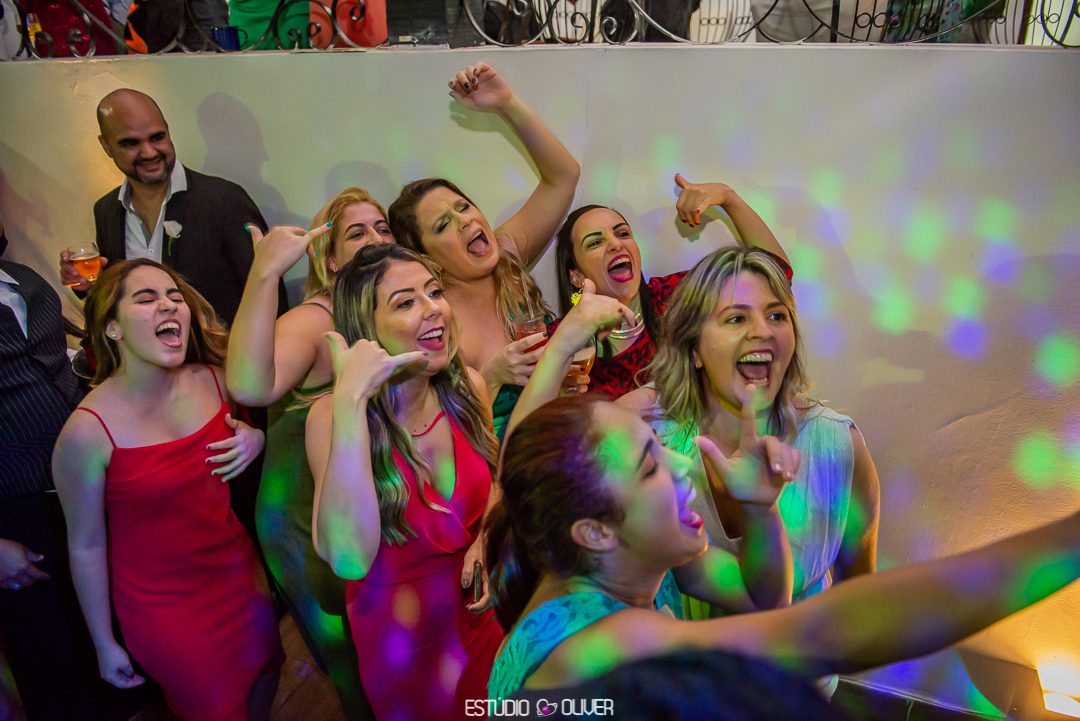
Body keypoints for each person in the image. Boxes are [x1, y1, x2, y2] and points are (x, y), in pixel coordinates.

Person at [484, 394, 1080, 698]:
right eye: (650, 466)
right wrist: (1067, 541)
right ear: (594, 532)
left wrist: (760, 510)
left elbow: (764, 597)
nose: (682, 466)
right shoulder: (598, 646)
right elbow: (821, 634)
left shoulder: (628, 564)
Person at [51, 259, 284, 721]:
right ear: (112, 328)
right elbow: (86, 545)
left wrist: (257, 439)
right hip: (164, 608)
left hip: (240, 574)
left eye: (175, 297)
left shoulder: (216, 380)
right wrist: (103, 642)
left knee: (267, 672)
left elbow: (258, 424)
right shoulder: (85, 434)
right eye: (146, 299)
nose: (168, 305)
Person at [619, 246, 879, 614]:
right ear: (693, 349)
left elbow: (858, 599)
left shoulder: (837, 446)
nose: (762, 331)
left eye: (777, 315)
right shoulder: (653, 450)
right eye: (736, 318)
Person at [306, 243, 503, 721]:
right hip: (402, 648)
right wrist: (351, 400)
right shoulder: (331, 417)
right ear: (366, 331)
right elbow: (348, 558)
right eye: (406, 302)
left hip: (485, 621)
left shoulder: (468, 389)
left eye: (434, 292)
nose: (434, 308)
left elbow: (498, 482)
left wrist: (488, 538)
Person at [226, 187, 394, 720]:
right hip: (303, 512)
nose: (375, 239)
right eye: (357, 232)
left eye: (383, 227)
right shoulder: (316, 319)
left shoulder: (380, 306)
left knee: (385, 647)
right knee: (356, 658)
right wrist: (265, 274)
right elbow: (250, 386)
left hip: (349, 498)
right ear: (330, 258)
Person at [0, 218, 147, 720]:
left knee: (114, 641)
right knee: (58, 667)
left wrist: (95, 296)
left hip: (86, 488)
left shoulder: (24, 279)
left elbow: (65, 362)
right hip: (15, 514)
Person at [388, 61, 580, 441]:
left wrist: (507, 105)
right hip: (494, 461)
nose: (464, 221)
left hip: (556, 440)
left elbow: (564, 177)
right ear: (426, 257)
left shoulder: (507, 256)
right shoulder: (433, 319)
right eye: (443, 225)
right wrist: (490, 377)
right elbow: (429, 437)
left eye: (463, 207)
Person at [60, 88, 287, 326]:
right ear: (106, 146)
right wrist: (87, 286)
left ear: (168, 131)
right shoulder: (106, 210)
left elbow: (270, 292)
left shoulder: (225, 201)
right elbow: (117, 300)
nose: (149, 152)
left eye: (156, 138)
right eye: (130, 143)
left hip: (221, 349)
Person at [553, 176, 790, 399]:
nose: (616, 244)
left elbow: (774, 275)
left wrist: (729, 198)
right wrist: (551, 386)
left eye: (623, 233)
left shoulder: (675, 296)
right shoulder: (559, 341)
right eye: (595, 242)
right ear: (576, 276)